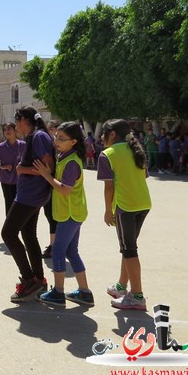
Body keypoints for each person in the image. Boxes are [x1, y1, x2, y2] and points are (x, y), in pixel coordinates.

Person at [33, 122, 94, 306]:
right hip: (72, 213)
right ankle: (84, 292)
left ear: (74, 141)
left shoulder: (71, 162)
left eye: (61, 138)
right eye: (56, 137)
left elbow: (65, 190)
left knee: (58, 250)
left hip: (71, 213)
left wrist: (46, 175)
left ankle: (58, 293)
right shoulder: (64, 156)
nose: (56, 141)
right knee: (71, 251)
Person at [97, 119, 151, 310]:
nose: (101, 137)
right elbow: (143, 176)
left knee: (129, 250)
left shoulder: (108, 154)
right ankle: (121, 286)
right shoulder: (136, 149)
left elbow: (109, 187)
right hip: (143, 203)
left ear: (112, 135)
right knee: (128, 247)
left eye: (104, 133)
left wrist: (107, 210)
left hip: (126, 206)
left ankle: (137, 296)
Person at [2, 106, 54, 302]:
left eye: (16, 122)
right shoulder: (37, 136)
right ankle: (39, 279)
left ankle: (28, 279)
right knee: (28, 234)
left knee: (8, 233)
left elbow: (48, 167)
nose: (16, 126)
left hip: (30, 196)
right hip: (32, 194)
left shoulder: (39, 137)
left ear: (24, 119)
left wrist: (22, 169)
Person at [0, 122, 25, 215]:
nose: (7, 131)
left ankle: (19, 225)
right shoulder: (1, 147)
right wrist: (2, 167)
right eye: (5, 130)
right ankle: (10, 226)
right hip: (6, 181)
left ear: (15, 130)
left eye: (9, 129)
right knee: (9, 204)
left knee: (20, 204)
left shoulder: (23, 145)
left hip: (20, 180)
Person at [41, 119, 60, 259]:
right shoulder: (50, 144)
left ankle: (55, 245)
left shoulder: (58, 146)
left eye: (52, 129)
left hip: (56, 184)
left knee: (53, 216)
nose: (51, 132)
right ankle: (54, 244)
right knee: (49, 215)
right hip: (49, 183)